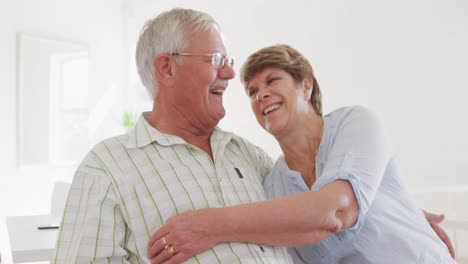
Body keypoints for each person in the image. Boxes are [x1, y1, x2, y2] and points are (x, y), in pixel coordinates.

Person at [147, 45, 456, 263]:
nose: (261, 94)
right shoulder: (275, 184)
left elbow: (335, 210)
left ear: (306, 85)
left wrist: (207, 226)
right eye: (252, 91)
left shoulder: (355, 123)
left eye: (272, 81)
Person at [53, 8, 293, 263]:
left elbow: (307, 226)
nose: (230, 73)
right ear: (167, 68)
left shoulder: (249, 154)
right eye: (215, 59)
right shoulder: (107, 167)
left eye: (228, 61)